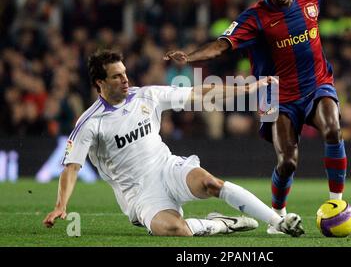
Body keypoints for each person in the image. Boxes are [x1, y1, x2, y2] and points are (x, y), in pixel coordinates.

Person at [164, 0, 351, 234]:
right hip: (274, 96)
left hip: (317, 84)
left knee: (333, 129)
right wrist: (190, 57)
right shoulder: (254, 17)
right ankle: (279, 217)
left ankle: (337, 205)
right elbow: (222, 46)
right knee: (287, 161)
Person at [42, 49, 304, 237]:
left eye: (124, 73)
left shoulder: (148, 96)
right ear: (100, 82)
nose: (125, 80)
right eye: (116, 76)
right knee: (174, 230)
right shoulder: (90, 123)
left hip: (167, 168)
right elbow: (72, 166)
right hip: (138, 194)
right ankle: (223, 224)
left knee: (211, 183)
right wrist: (60, 205)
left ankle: (278, 221)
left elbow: (199, 93)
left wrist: (245, 89)